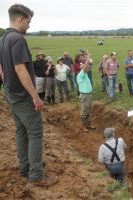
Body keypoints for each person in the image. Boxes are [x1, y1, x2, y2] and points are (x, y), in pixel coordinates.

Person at [0, 4, 57, 186]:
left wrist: (5, 81)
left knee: (21, 131)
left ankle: (26, 168)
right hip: (23, 96)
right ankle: (36, 175)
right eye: (28, 21)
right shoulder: (17, 39)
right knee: (35, 133)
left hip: (10, 93)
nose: (29, 26)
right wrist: (35, 96)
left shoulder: (3, 39)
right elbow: (19, 68)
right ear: (19, 19)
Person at [77, 54, 96, 132]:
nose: (87, 67)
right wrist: (88, 57)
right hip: (84, 95)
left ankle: (88, 124)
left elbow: (87, 67)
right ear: (81, 68)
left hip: (89, 95)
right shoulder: (80, 75)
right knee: (84, 111)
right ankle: (83, 126)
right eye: (85, 67)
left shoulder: (85, 75)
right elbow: (85, 66)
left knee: (88, 110)